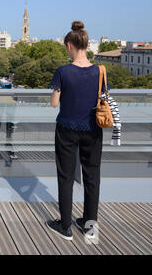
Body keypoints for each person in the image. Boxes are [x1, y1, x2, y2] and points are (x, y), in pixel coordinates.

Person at [46, 21, 110, 241]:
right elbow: (103, 99)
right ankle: (89, 225)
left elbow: (54, 103)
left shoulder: (63, 72)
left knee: (65, 177)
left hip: (66, 129)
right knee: (92, 177)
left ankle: (65, 226)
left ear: (69, 46)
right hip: (93, 130)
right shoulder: (100, 71)